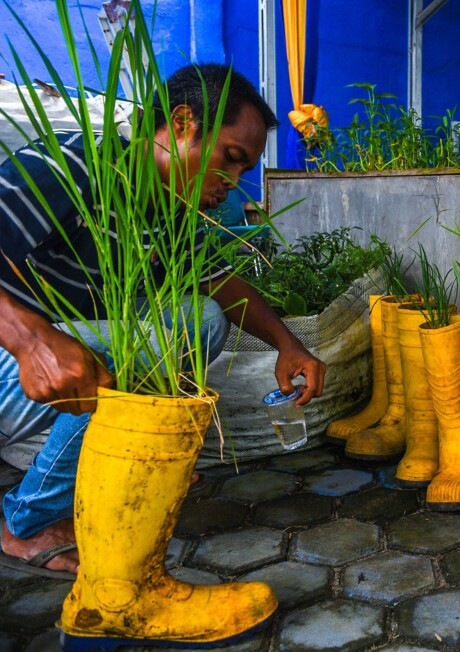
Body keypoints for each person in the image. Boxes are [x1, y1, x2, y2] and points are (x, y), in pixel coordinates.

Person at [0, 63, 327, 578]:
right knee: (134, 345)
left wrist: (288, 345)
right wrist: (31, 341)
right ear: (181, 123)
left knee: (200, 319)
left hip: (63, 369)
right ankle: (29, 523)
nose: (233, 185)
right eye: (230, 159)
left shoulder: (169, 207)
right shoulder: (77, 163)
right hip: (18, 362)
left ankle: (124, 459)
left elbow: (217, 282)